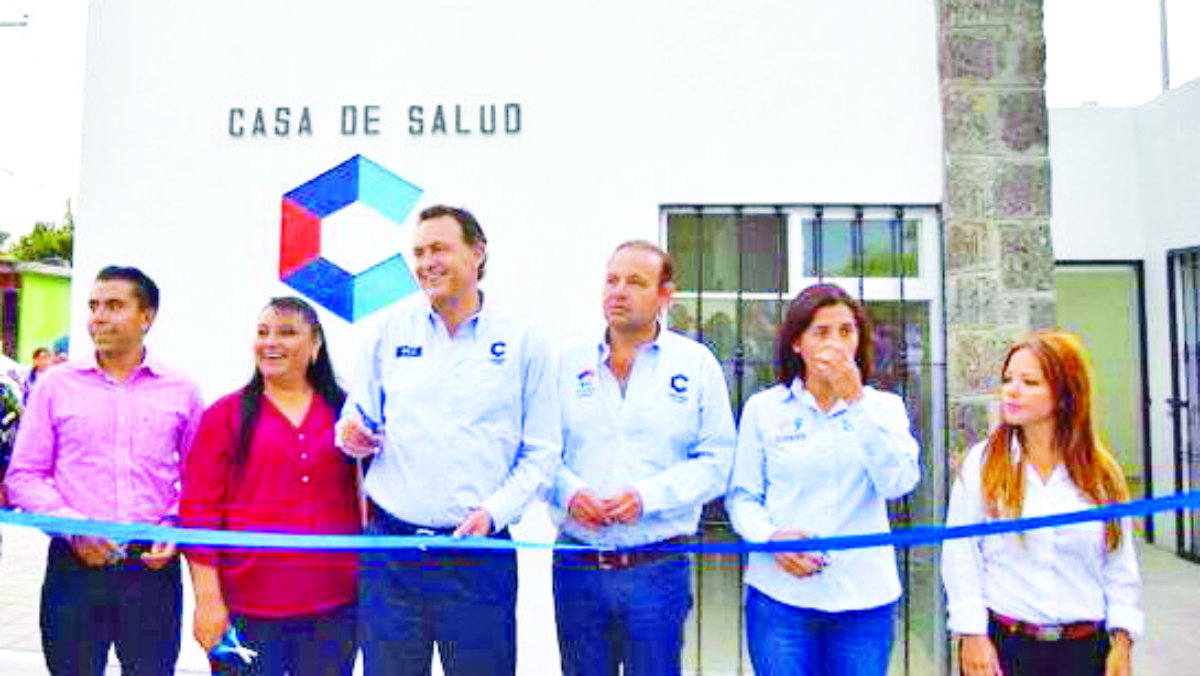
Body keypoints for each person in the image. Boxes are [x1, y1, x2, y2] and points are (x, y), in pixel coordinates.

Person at [338, 205, 560, 676]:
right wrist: (352, 434)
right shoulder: (389, 333)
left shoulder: (523, 342)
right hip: (392, 555)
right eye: (418, 253)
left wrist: (494, 513)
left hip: (478, 558)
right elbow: (355, 418)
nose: (426, 262)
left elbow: (541, 453)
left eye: (439, 248)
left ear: (477, 253)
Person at [4, 266, 204, 676]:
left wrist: (173, 526)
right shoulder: (55, 386)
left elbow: (200, 477)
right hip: (74, 565)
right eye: (93, 306)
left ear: (146, 317)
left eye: (114, 305)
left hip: (151, 566)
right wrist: (75, 528)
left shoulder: (181, 389)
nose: (98, 316)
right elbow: (23, 475)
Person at [551, 241, 736, 676]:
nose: (618, 291)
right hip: (578, 565)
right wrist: (570, 492)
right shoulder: (566, 363)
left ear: (665, 295)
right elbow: (540, 452)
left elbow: (718, 461)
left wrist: (648, 497)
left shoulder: (696, 366)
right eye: (612, 280)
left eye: (635, 282)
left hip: (657, 568)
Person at [726, 283, 920, 676]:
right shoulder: (763, 410)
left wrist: (856, 403)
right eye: (822, 332)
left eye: (846, 331)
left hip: (863, 603)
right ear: (797, 343)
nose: (836, 342)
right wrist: (769, 538)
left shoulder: (885, 408)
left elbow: (898, 483)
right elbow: (742, 497)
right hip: (781, 599)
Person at [942, 330, 1141, 676]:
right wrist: (972, 635)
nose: (1012, 390)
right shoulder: (983, 464)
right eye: (1008, 379)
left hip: (1084, 651)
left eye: (1030, 381)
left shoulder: (1102, 475)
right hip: (1005, 649)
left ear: (1065, 394)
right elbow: (961, 555)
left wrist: (1122, 643)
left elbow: (1119, 564)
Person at [181, 296, 359, 676]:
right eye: (263, 332)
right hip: (243, 610)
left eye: (287, 332)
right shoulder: (224, 416)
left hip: (334, 610)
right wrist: (207, 601)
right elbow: (198, 513)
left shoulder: (347, 413)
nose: (271, 342)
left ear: (315, 345)